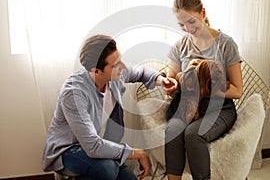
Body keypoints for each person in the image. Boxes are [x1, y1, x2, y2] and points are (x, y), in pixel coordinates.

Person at [42, 34, 178, 180]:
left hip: (100, 146)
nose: (123, 67)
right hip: (68, 150)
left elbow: (141, 72)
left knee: (115, 171)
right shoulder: (74, 94)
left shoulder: (114, 77)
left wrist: (161, 80)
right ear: (96, 71)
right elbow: (93, 146)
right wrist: (138, 153)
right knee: (107, 169)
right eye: (115, 65)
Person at [165, 0, 243, 180]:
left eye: (191, 22)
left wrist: (203, 83)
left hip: (220, 108)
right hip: (189, 106)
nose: (188, 28)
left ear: (203, 12)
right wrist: (172, 84)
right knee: (173, 130)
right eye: (181, 25)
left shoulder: (225, 44)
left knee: (193, 134)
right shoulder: (180, 46)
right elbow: (171, 78)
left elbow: (238, 90)